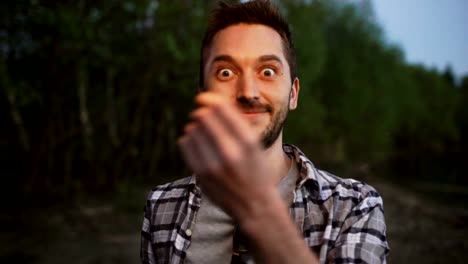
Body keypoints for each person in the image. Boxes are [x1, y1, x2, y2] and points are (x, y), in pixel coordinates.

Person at [141, 1, 389, 263]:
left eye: (267, 71)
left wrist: (258, 210)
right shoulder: (161, 204)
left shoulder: (355, 206)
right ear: (203, 93)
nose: (248, 92)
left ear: (293, 94)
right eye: (226, 72)